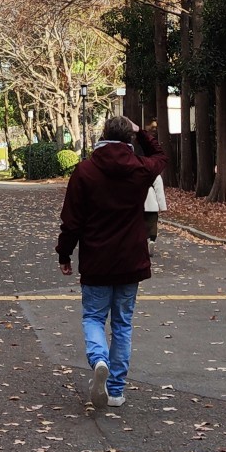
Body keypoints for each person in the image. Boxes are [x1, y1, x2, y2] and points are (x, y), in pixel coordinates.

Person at [56, 115, 167, 410]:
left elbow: (71, 220)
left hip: (97, 258)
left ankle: (99, 359)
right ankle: (116, 390)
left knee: (93, 317)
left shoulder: (85, 171)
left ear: (103, 135)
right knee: (122, 324)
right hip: (131, 258)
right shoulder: (139, 169)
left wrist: (64, 253)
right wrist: (142, 132)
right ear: (128, 139)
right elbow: (160, 157)